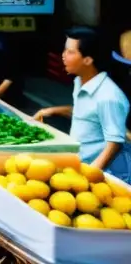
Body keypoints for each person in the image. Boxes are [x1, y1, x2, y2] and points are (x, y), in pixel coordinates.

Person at [34, 27, 131, 183]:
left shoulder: (109, 97)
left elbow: (114, 144)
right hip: (76, 163)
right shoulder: (80, 82)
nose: (63, 56)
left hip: (100, 176)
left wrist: (89, 176)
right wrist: (51, 111)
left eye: (70, 52)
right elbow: (87, 112)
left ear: (88, 60)